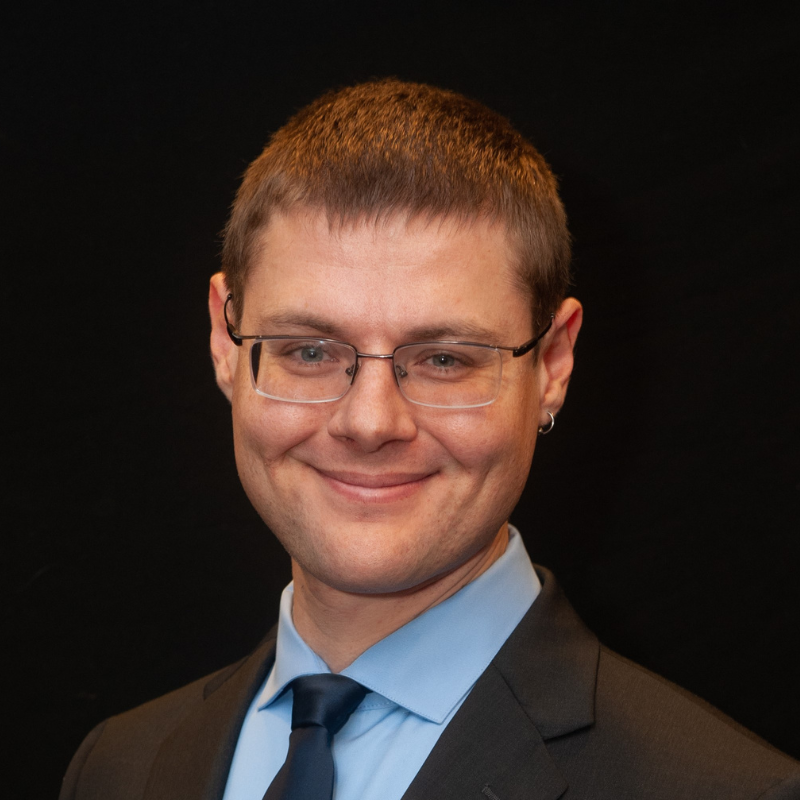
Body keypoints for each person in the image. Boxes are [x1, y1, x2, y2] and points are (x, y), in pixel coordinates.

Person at [60, 79, 800, 800]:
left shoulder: (729, 790)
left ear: (552, 364)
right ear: (226, 343)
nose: (369, 423)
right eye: (310, 351)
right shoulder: (118, 768)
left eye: (444, 359)